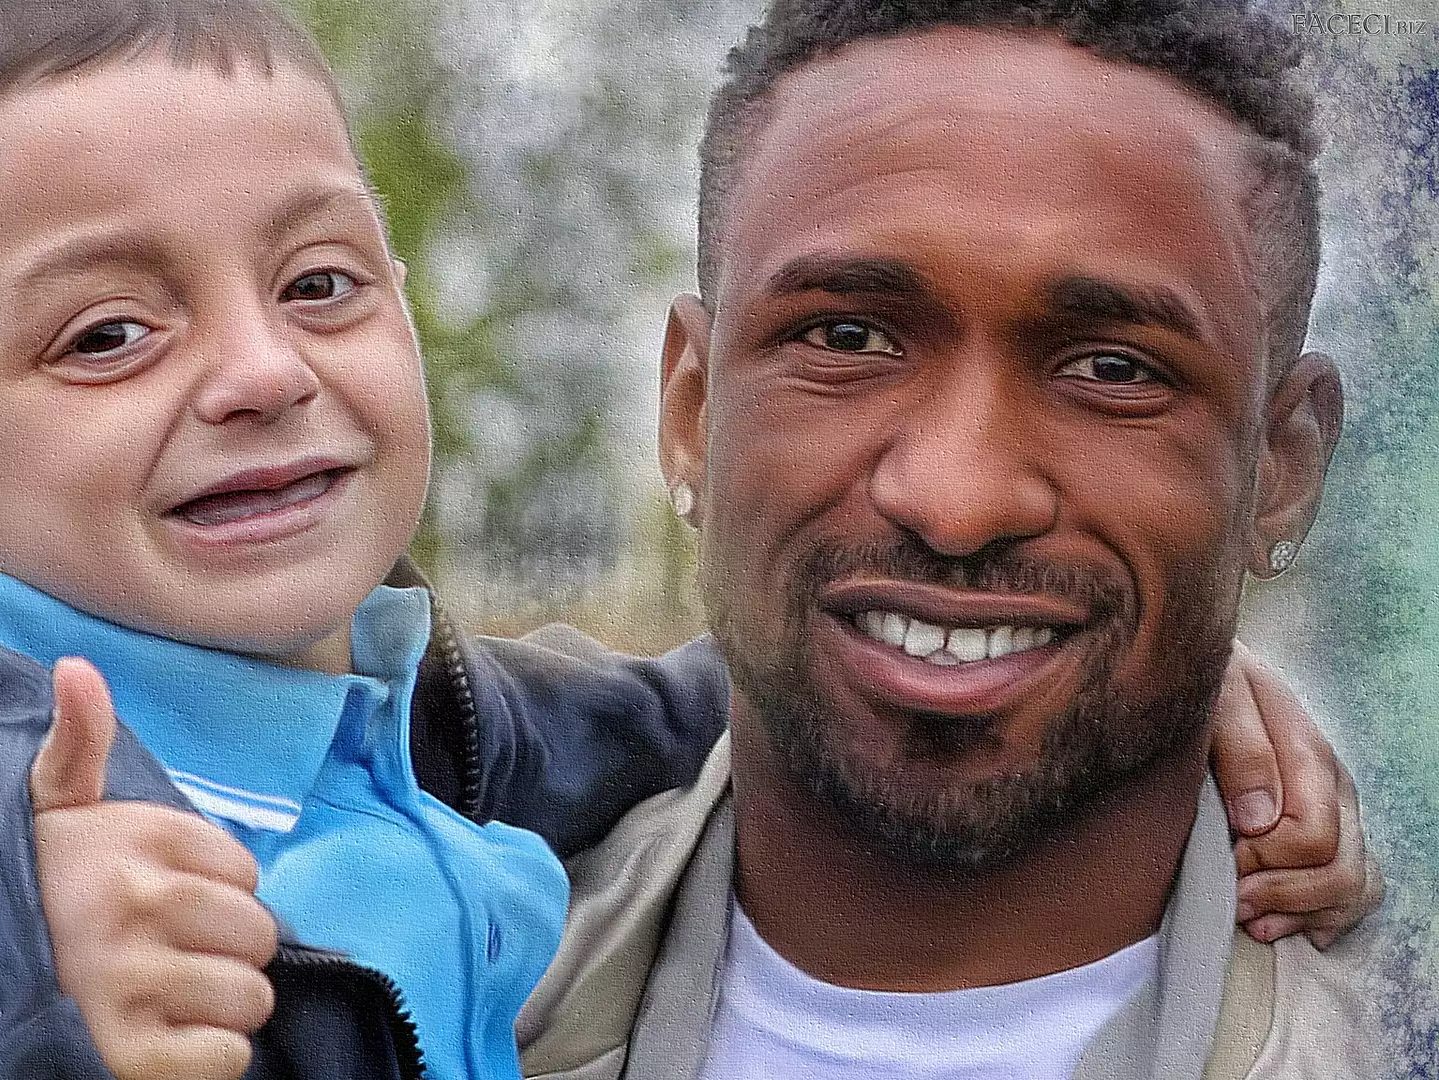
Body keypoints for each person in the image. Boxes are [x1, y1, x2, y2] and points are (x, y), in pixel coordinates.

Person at [0, 1, 1373, 1079]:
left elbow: (687, 703)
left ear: (1279, 468)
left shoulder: (420, 732)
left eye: (319, 284)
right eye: (110, 334)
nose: (263, 372)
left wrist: (1134, 659)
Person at [514, 2, 1392, 1079]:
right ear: (692, 412)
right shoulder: (394, 982)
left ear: (1282, 471)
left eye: (1111, 369)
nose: (957, 502)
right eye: (848, 337)